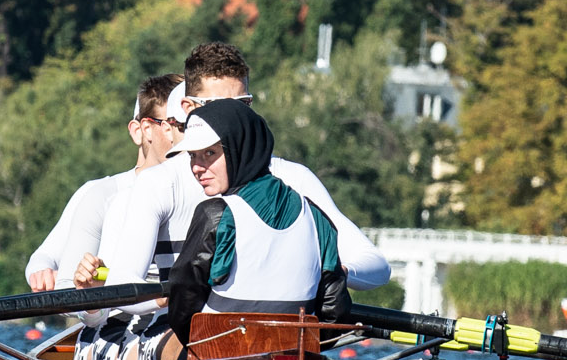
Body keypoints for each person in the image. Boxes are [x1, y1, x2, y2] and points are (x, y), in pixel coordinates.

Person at [86, 41, 391, 296]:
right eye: (217, 107)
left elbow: (375, 265)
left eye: (241, 106)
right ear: (188, 110)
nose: (234, 121)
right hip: (178, 331)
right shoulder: (159, 184)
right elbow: (123, 288)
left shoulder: (292, 179)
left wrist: (328, 269)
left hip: (266, 334)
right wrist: (180, 296)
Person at [158, 99, 350, 348]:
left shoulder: (216, 214)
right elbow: (334, 317)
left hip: (219, 354)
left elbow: (181, 307)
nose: (196, 167)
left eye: (210, 153)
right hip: (293, 359)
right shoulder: (316, 217)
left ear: (241, 148)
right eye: (193, 156)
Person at [25, 73, 186, 291]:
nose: (181, 136)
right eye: (174, 125)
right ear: (140, 131)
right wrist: (44, 272)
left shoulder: (209, 188)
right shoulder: (102, 194)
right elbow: (46, 257)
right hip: (117, 319)